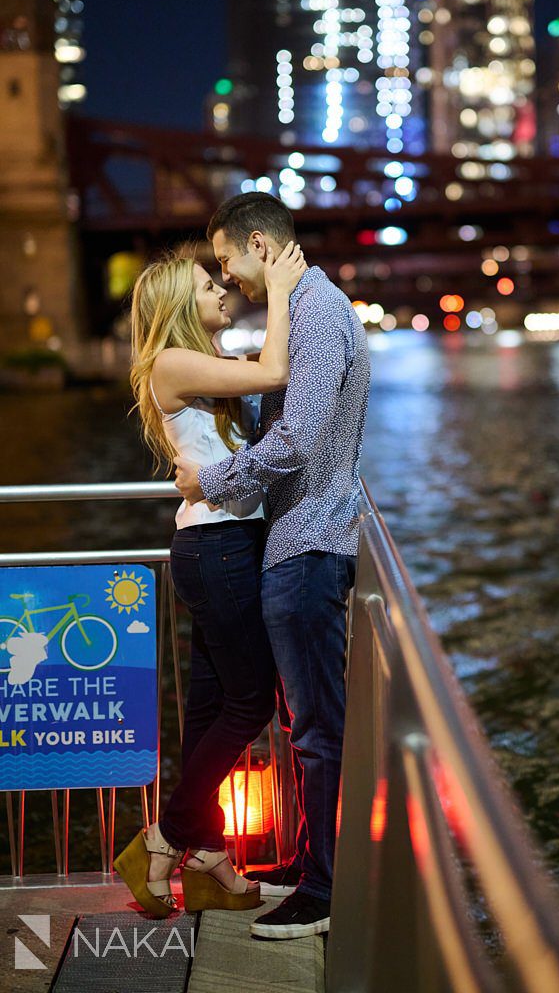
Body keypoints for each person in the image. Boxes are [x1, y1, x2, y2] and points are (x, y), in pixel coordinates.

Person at [174, 192, 370, 941]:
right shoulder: (309, 306)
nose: (229, 277)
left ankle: (322, 890)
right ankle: (306, 862)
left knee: (317, 729)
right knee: (304, 724)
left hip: (310, 543)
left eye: (227, 260)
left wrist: (210, 482)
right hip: (297, 539)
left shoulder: (317, 313)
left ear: (259, 243)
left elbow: (299, 440)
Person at [113, 240, 307, 918]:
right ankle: (166, 838)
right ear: (177, 307)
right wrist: (282, 289)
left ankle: (205, 855)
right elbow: (276, 368)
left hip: (225, 544)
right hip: (218, 549)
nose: (222, 291)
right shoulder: (171, 362)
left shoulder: (204, 363)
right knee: (250, 705)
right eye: (206, 286)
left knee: (208, 711)